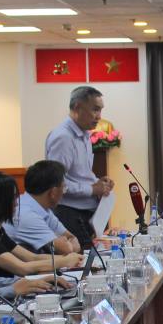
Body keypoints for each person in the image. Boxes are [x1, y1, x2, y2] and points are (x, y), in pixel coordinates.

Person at [0, 172, 83, 277]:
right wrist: (64, 261)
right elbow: (22, 268)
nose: (16, 204)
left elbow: (31, 257)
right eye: (13, 198)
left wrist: (71, 258)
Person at [44, 85, 114, 245]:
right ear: (77, 107)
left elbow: (79, 174)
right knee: (84, 265)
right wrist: (92, 189)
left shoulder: (84, 134)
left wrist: (98, 181)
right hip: (69, 213)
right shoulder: (63, 137)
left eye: (101, 110)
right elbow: (56, 183)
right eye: (95, 110)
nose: (99, 116)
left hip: (86, 212)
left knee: (95, 261)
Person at [5, 161, 82, 255]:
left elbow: (72, 239)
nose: (63, 192)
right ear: (53, 192)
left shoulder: (43, 208)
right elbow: (65, 250)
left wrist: (66, 243)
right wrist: (65, 243)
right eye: (64, 188)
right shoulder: (26, 214)